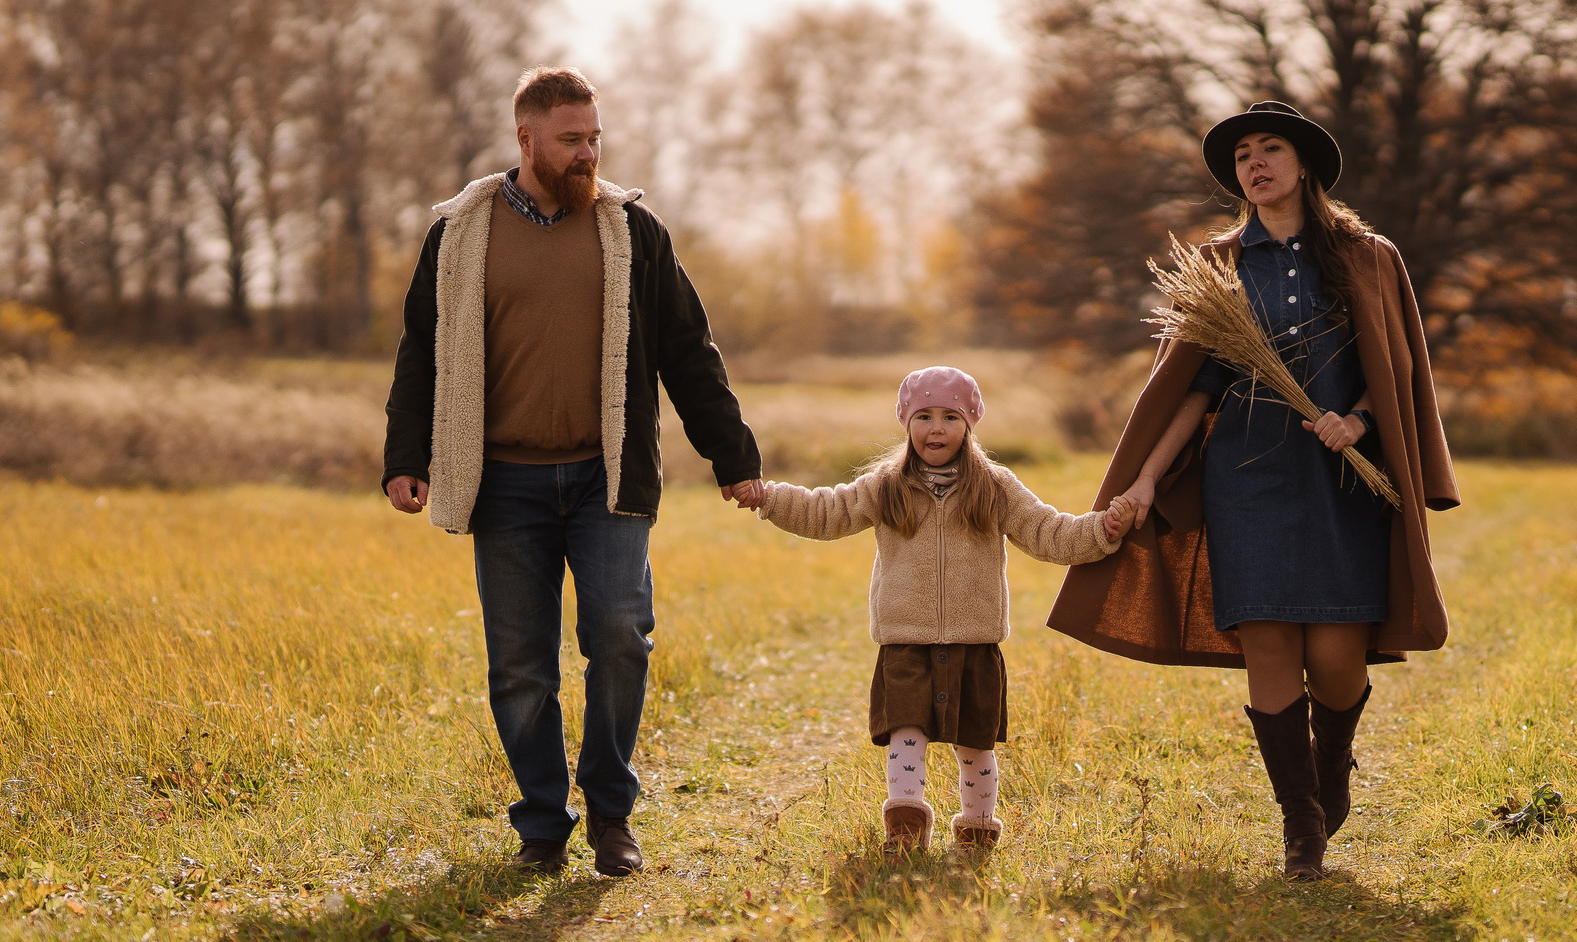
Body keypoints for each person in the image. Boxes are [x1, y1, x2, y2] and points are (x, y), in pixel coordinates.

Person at [1047, 101, 1459, 880]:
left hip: (1342, 482)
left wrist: (1359, 421)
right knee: (1268, 642)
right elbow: (1191, 389)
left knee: (1338, 656)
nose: (1256, 163)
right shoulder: (1220, 264)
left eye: (1271, 149)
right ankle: (1301, 825)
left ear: (1305, 166)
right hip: (1248, 481)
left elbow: (1397, 369)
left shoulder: (1370, 257)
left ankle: (1329, 766)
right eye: (1243, 156)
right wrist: (1142, 478)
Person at [382, 67, 761, 877]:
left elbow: (687, 349)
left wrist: (733, 457)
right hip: (505, 483)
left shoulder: (632, 231)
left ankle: (611, 815)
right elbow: (424, 349)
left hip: (607, 479)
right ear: (526, 139)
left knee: (621, 637)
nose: (588, 153)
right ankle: (543, 825)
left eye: (594, 137)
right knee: (521, 663)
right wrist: (405, 457)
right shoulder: (460, 233)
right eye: (571, 139)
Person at [729, 367, 1135, 850]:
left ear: (969, 425)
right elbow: (827, 511)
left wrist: (1101, 531)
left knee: (975, 744)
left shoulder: (995, 487)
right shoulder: (886, 484)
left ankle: (977, 829)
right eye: (923, 416)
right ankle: (904, 831)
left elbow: (1047, 532)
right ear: (906, 422)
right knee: (906, 735)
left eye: (949, 417)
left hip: (974, 640)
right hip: (905, 639)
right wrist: (769, 498)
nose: (936, 429)